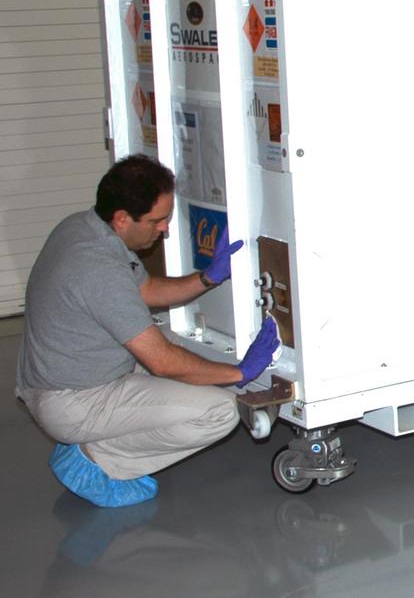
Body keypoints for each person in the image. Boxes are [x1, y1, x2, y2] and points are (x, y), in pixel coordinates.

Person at [15, 154, 279, 508]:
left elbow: (145, 290)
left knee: (185, 355)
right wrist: (239, 373)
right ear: (122, 218)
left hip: (62, 376)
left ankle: (95, 444)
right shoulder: (97, 268)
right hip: (74, 400)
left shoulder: (82, 228)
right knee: (221, 410)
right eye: (157, 221)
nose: (165, 229)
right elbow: (163, 362)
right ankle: (95, 460)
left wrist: (208, 277)